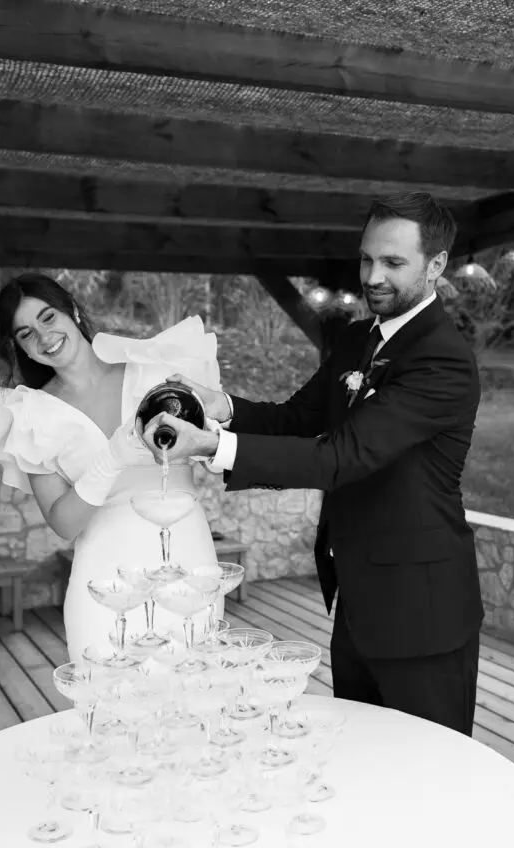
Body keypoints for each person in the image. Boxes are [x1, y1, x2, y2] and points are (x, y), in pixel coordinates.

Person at [140, 193, 484, 736]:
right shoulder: (356, 339)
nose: (373, 276)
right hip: (357, 604)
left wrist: (211, 447)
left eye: (393, 263)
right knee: (362, 766)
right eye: (367, 259)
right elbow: (298, 417)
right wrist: (219, 405)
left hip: (424, 616)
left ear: (435, 265)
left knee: (431, 777)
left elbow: (343, 456)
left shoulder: (443, 358)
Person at [0, 273, 223, 663]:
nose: (44, 337)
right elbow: (64, 523)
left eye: (49, 318)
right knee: (112, 707)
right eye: (26, 334)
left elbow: (216, 449)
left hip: (187, 563)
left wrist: (209, 442)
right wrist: (110, 459)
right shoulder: (31, 414)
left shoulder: (155, 371)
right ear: (19, 349)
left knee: (198, 701)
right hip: (105, 580)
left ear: (73, 311)